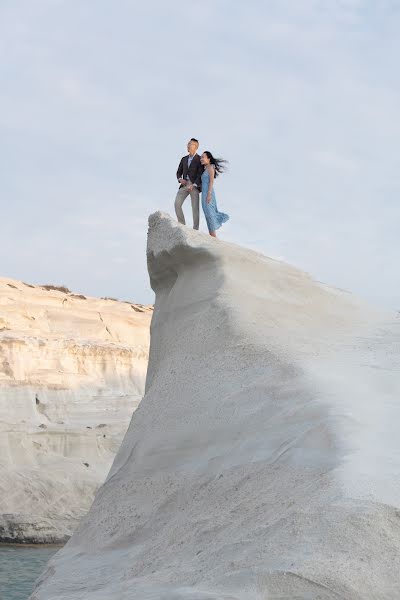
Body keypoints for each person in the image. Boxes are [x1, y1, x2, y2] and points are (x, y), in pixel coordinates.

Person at [175, 138, 203, 230]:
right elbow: (178, 172)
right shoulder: (184, 159)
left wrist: (194, 184)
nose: (187, 145)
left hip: (194, 186)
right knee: (177, 204)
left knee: (195, 209)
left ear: (195, 147)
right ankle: (182, 225)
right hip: (184, 185)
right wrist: (180, 179)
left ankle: (195, 230)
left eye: (190, 144)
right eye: (187, 144)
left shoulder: (200, 159)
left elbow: (200, 174)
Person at [200, 151, 229, 237]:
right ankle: (212, 236)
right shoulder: (205, 168)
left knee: (210, 213)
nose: (201, 159)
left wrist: (209, 194)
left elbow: (212, 181)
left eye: (203, 157)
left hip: (209, 193)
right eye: (201, 157)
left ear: (209, 158)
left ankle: (213, 236)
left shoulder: (210, 167)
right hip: (204, 194)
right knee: (207, 214)